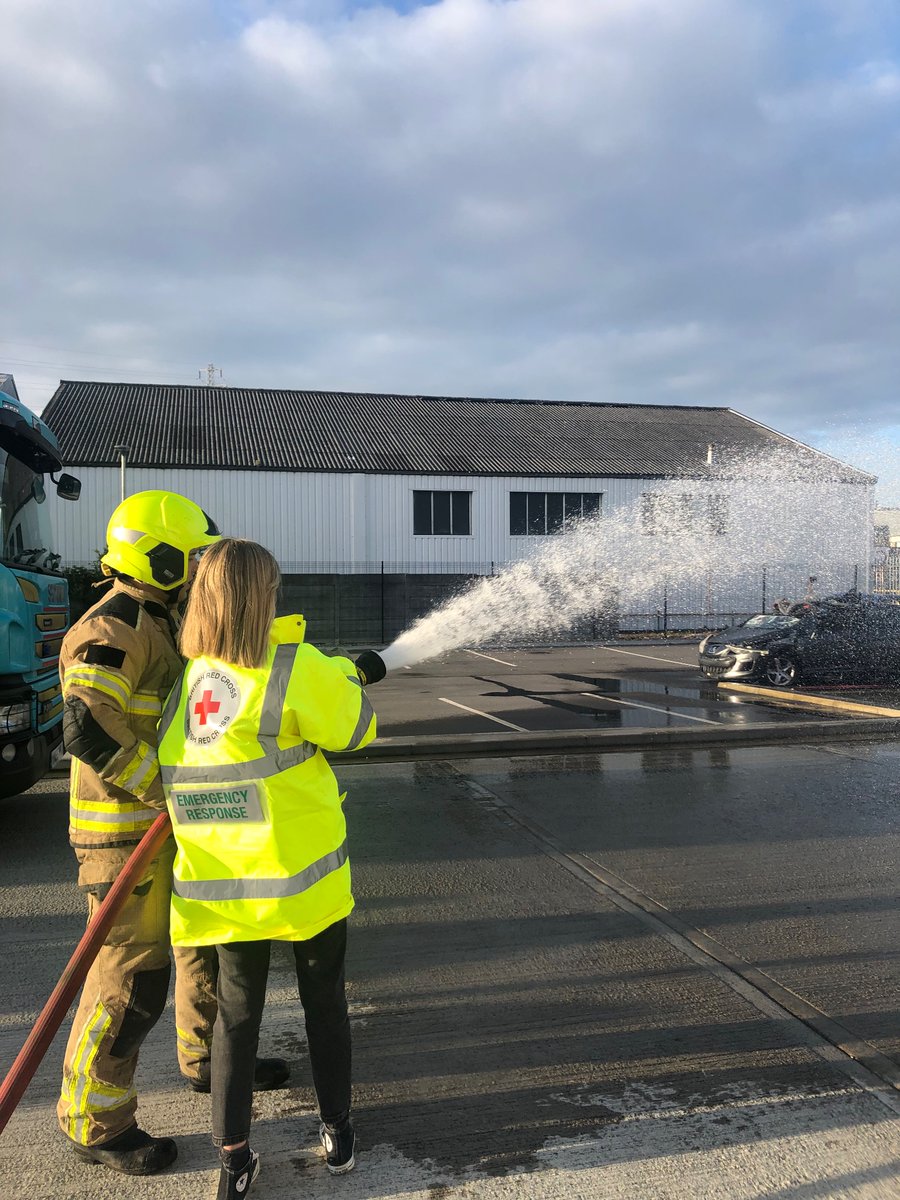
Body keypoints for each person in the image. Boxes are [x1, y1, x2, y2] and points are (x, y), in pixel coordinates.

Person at [57, 492, 289, 1176]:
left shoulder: (161, 620)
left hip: (170, 830)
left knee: (201, 954)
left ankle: (206, 1063)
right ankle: (93, 1122)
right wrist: (165, 789)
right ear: (154, 559)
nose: (197, 572)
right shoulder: (116, 627)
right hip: (123, 838)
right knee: (130, 984)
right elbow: (87, 727)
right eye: (187, 559)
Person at [156, 539, 377, 1200]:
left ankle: (234, 1160)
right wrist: (347, 677)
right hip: (303, 883)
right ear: (263, 596)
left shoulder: (194, 679)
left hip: (223, 891)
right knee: (323, 1005)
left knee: (236, 1019)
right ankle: (337, 1135)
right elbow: (358, 728)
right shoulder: (296, 665)